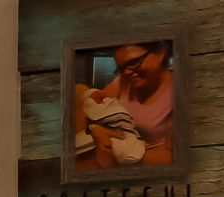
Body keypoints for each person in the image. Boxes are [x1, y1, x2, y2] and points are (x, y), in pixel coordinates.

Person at [72, 41, 175, 171]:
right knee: (79, 90)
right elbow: (96, 108)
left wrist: (119, 155)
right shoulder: (123, 81)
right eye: (121, 68)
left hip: (143, 162)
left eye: (133, 62)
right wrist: (95, 129)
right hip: (109, 146)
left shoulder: (178, 91)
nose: (127, 72)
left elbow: (173, 157)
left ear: (161, 52)